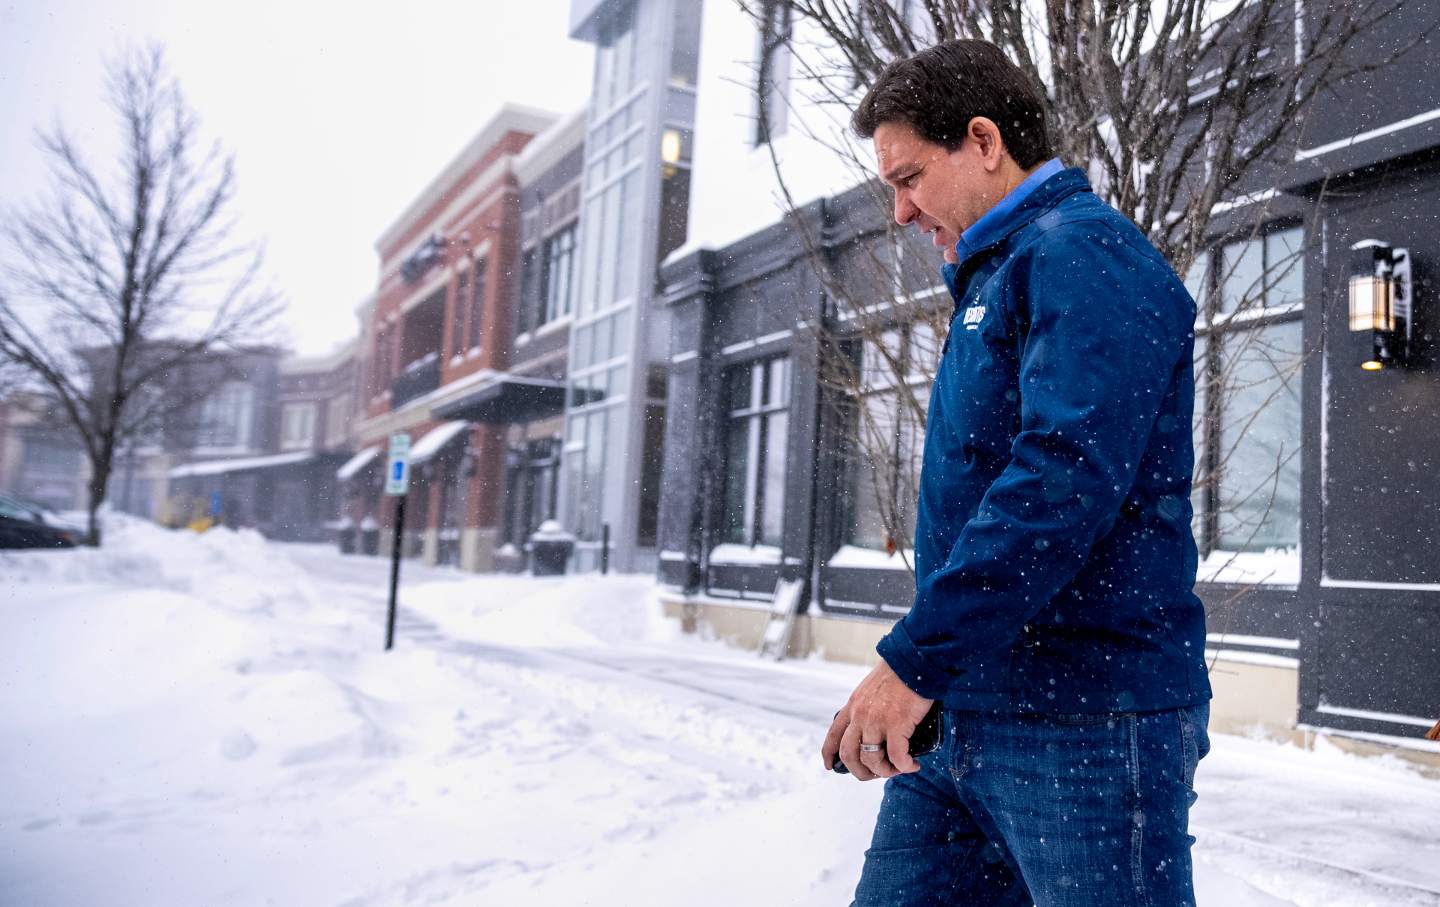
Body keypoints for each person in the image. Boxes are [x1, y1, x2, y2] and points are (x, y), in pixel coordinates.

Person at [821, 39, 1213, 906]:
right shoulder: (1001, 272)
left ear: (985, 140)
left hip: (1086, 724)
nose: (899, 211)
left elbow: (1061, 480)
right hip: (966, 713)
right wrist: (935, 671)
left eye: (910, 177)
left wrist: (915, 660)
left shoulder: (1084, 253)